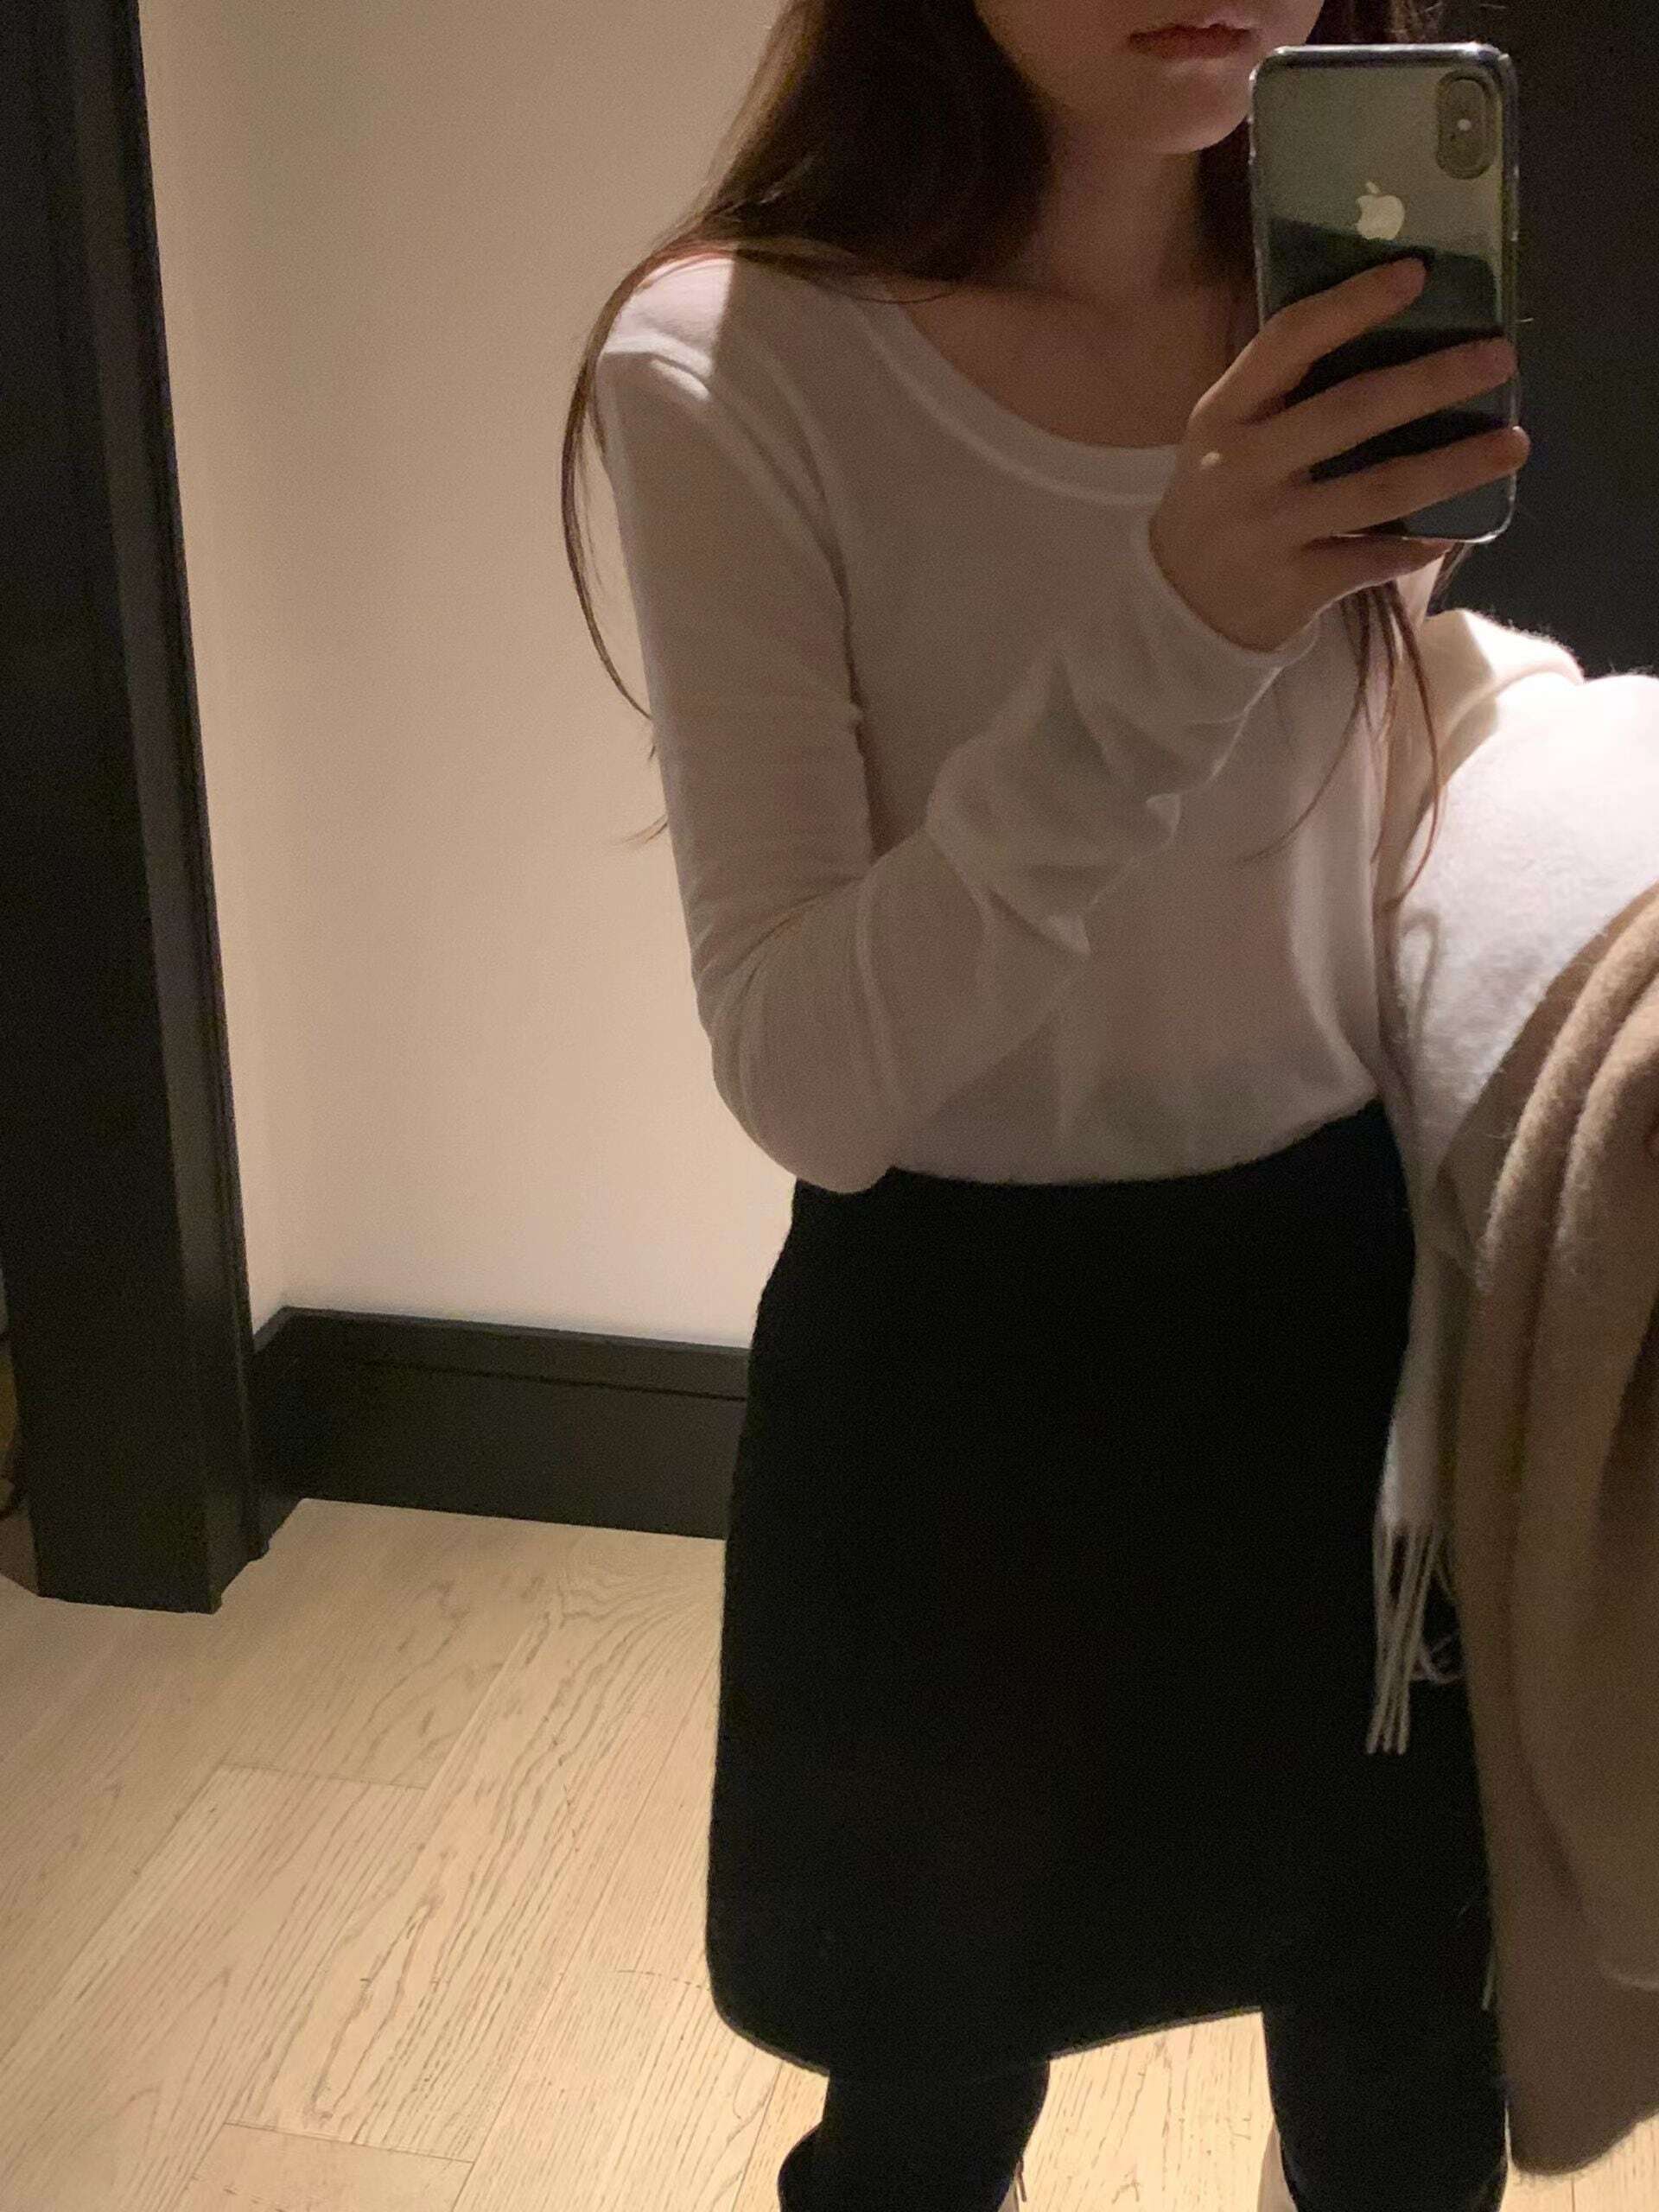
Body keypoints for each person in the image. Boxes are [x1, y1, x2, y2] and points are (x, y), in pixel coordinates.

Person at [562, 3, 1530, 2207]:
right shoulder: (731, 365)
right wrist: (1185, 613)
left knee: (1401, 2068)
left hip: (1346, 1310)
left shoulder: (1336, 290)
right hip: (962, 1364)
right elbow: (810, 1074)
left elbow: (1338, 842)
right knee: (926, 2087)